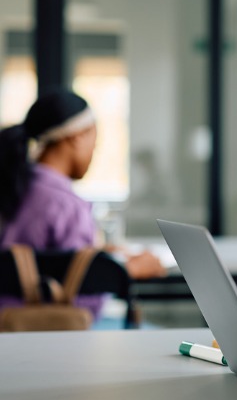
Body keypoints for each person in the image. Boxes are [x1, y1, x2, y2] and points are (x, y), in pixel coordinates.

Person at [0, 90, 165, 317]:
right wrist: (125, 270)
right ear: (76, 137)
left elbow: (42, 262)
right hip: (45, 335)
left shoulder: (14, 186)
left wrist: (98, 258)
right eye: (94, 141)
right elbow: (84, 302)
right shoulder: (67, 205)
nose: (94, 151)